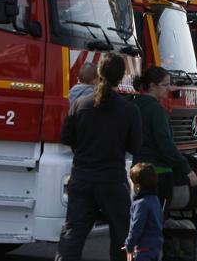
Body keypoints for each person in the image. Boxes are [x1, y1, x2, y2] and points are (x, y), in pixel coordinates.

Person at [56, 53, 143, 261]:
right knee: (122, 236)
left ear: (98, 74)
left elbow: (66, 138)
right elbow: (135, 146)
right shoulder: (129, 110)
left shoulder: (79, 105)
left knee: (73, 234)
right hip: (112, 180)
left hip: (82, 178)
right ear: (122, 77)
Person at [133, 66, 197, 212]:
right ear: (152, 86)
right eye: (165, 85)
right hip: (158, 172)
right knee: (157, 218)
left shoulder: (133, 105)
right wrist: (186, 169)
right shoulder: (156, 111)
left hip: (136, 170)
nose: (168, 88)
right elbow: (166, 144)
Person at [123, 163, 163, 261]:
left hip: (143, 251)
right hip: (155, 248)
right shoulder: (155, 199)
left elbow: (136, 228)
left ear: (138, 186)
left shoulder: (141, 204)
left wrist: (129, 245)